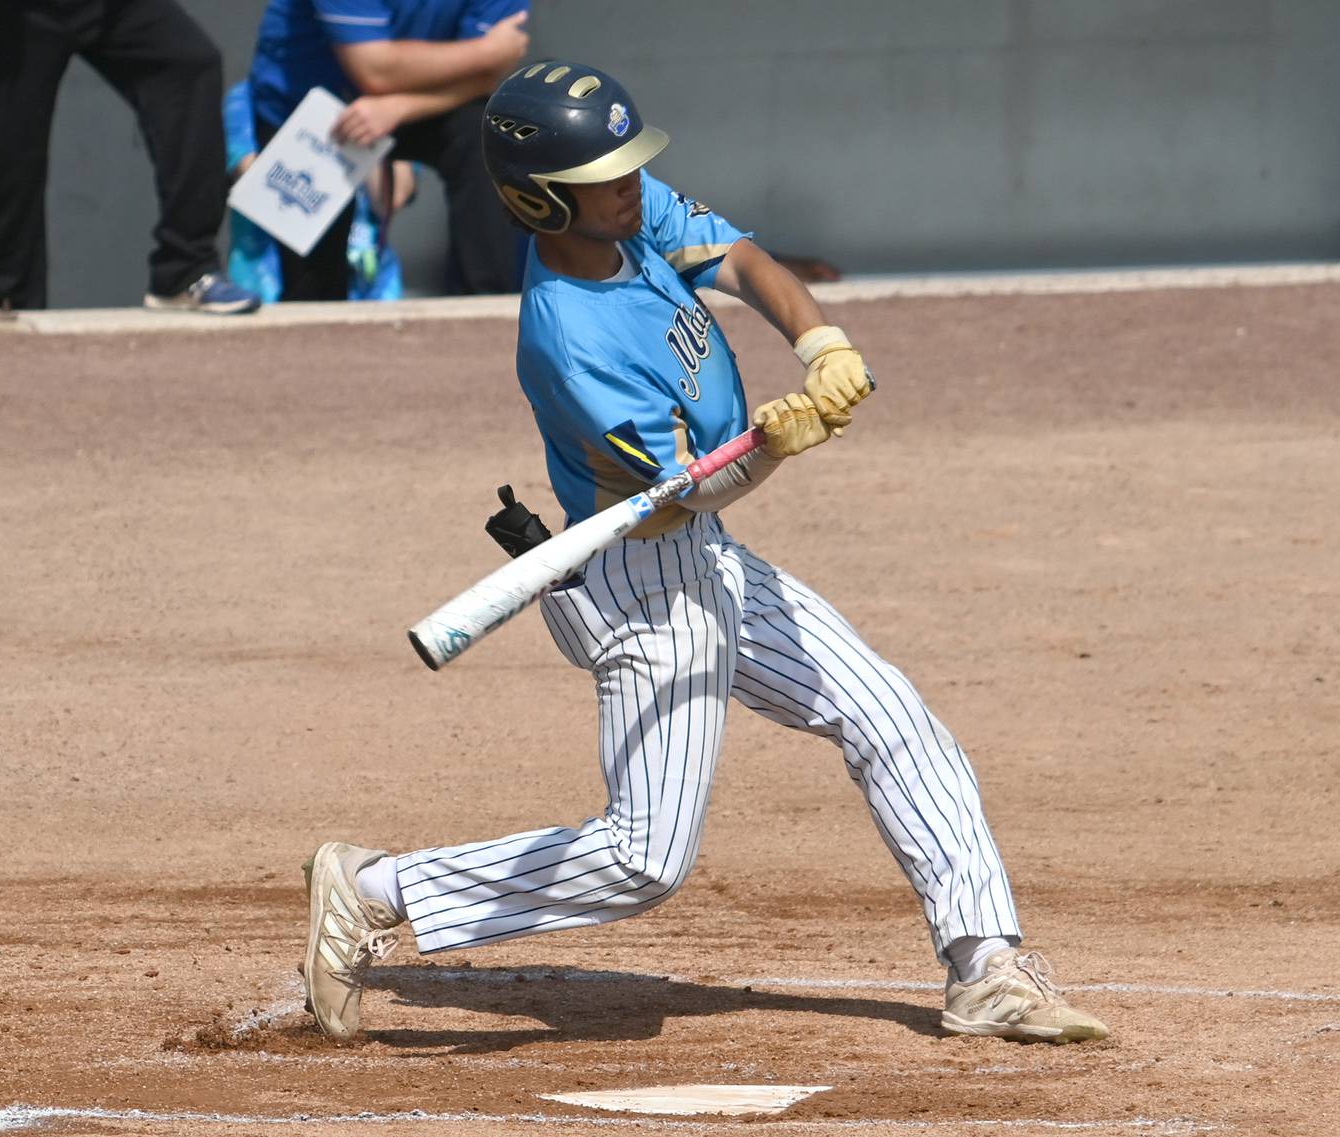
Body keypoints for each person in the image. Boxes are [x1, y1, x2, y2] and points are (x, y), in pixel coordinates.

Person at [300, 62, 1111, 1046]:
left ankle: (984, 967)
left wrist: (822, 345)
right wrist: (781, 443)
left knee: (890, 714)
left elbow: (743, 261)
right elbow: (675, 498)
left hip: (708, 556)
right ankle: (375, 887)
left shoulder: (626, 217)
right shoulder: (569, 337)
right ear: (541, 198)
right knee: (644, 858)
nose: (632, 182)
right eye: (607, 173)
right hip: (642, 588)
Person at [0, 0, 260, 313]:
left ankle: (185, 271)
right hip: (7, 14)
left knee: (189, 65)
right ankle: (6, 301)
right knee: (12, 150)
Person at [247, 0, 529, 300]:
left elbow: (488, 77)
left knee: (487, 131)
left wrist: (399, 108)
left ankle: (485, 316)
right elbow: (372, 68)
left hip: (423, 101)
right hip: (311, 107)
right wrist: (486, 53)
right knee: (312, 292)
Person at [221, 78, 414, 303]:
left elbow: (394, 198)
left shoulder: (381, 102)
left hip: (369, 293)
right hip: (268, 288)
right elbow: (255, 186)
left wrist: (364, 125)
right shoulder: (249, 96)